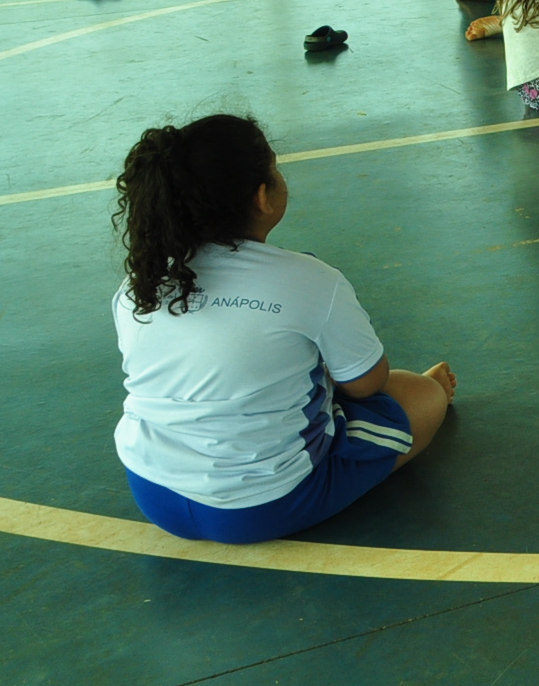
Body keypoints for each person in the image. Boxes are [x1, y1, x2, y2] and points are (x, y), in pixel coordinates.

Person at [111, 114, 456, 544]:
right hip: (260, 505)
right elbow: (369, 384)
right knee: (420, 394)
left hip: (152, 489)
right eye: (275, 169)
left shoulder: (141, 281)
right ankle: (429, 393)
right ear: (262, 197)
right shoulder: (309, 279)